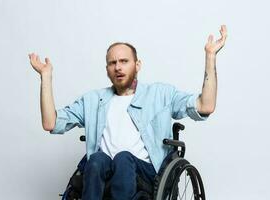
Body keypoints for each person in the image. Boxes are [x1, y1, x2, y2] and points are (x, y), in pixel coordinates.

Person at [29, 25, 227, 200]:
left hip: (146, 174)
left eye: (124, 61)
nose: (118, 67)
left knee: (123, 158)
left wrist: (210, 57)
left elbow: (205, 106)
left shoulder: (160, 94)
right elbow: (51, 123)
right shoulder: (92, 100)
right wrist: (46, 77)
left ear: (137, 65)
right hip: (103, 172)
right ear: (107, 69)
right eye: (112, 63)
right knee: (96, 159)